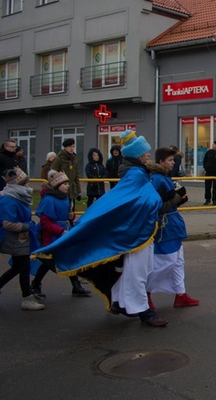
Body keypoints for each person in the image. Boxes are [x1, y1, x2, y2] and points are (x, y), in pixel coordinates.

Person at [34, 130, 166, 327]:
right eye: (146, 152)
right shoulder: (135, 174)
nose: (148, 154)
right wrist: (159, 198)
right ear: (139, 155)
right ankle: (144, 312)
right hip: (135, 233)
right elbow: (141, 200)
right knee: (138, 272)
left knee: (140, 270)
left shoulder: (139, 172)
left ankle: (120, 302)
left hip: (140, 229)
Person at [146, 146, 198, 310]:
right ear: (161, 162)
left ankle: (180, 294)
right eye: (170, 160)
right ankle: (145, 293)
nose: (173, 163)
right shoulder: (157, 179)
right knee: (165, 261)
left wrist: (178, 199)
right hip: (165, 227)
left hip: (173, 224)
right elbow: (156, 205)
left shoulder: (165, 177)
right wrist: (176, 198)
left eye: (173, 160)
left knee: (178, 262)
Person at [30, 170, 91, 299]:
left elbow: (67, 217)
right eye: (64, 184)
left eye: (68, 183)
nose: (68, 186)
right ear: (57, 186)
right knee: (48, 262)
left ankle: (76, 285)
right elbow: (45, 223)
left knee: (66, 259)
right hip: (50, 237)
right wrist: (61, 231)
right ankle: (35, 285)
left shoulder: (65, 198)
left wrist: (71, 216)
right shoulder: (48, 200)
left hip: (62, 234)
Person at [0, 167, 44, 310]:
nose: (28, 186)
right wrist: (27, 226)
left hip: (21, 237)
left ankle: (27, 297)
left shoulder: (17, 197)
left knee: (21, 266)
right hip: (14, 238)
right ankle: (26, 298)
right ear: (18, 184)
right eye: (25, 183)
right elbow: (7, 224)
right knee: (23, 266)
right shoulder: (9, 200)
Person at [51, 138, 81, 203]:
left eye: (73, 146)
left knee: (71, 210)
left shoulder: (74, 159)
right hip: (61, 190)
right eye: (70, 146)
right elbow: (52, 174)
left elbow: (76, 177)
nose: (72, 148)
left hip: (72, 190)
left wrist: (79, 191)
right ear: (65, 147)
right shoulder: (59, 159)